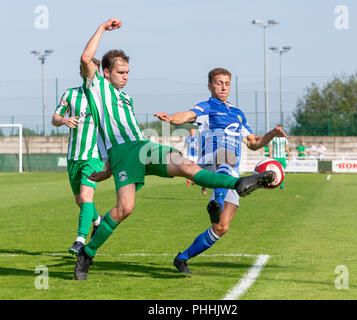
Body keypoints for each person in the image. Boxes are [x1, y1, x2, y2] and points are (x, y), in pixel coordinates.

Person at [74, 18, 278, 280]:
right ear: (105, 72)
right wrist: (102, 28)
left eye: (127, 72)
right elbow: (85, 57)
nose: (126, 76)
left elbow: (117, 131)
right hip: (123, 155)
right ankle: (87, 253)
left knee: (186, 165)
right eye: (120, 72)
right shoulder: (96, 86)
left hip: (142, 147)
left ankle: (237, 184)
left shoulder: (125, 97)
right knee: (125, 209)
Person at [155, 67, 289, 274]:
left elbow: (253, 143)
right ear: (210, 86)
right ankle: (216, 201)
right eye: (219, 83)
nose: (223, 87)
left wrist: (272, 133)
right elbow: (187, 115)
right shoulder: (208, 107)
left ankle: (182, 258)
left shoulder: (238, 114)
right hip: (211, 162)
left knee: (221, 227)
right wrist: (171, 119)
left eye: (226, 83)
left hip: (232, 175)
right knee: (226, 155)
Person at [51, 58, 107, 256]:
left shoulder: (103, 96)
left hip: (93, 156)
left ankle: (80, 240)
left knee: (85, 197)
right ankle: (99, 222)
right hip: (72, 157)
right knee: (81, 202)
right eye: (88, 69)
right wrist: (64, 120)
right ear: (82, 72)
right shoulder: (70, 93)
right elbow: (55, 118)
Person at [269, 125, 290, 189]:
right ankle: (272, 184)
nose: (279, 130)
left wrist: (289, 154)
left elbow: (286, 146)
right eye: (278, 129)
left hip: (282, 157)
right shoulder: (273, 138)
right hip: (275, 157)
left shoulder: (284, 138)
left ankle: (282, 185)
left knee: (283, 171)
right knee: (274, 171)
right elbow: (270, 146)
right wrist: (270, 155)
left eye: (280, 129)